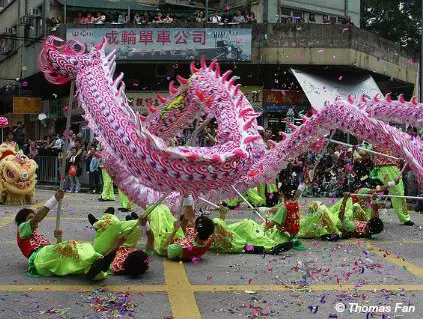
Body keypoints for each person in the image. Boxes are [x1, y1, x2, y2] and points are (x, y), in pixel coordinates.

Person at [15, 190, 118, 280]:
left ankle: (95, 270)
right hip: (39, 259)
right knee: (70, 246)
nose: (34, 220)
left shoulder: (34, 233)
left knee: (75, 257)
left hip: (46, 258)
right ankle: (98, 261)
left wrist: (59, 239)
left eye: (33, 217)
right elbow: (37, 219)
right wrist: (54, 199)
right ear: (23, 221)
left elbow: (56, 250)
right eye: (30, 218)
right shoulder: (22, 229)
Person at [88, 207, 153, 276]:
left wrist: (118, 243)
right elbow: (151, 238)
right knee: (134, 229)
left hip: (112, 246)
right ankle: (133, 221)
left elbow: (104, 257)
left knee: (110, 226)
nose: (138, 250)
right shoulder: (144, 262)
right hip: (127, 244)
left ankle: (98, 226)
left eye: (137, 251)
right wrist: (145, 225)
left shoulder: (116, 267)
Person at [148, 196, 215, 261]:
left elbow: (165, 247)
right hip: (179, 237)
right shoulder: (208, 239)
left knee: (158, 212)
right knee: (164, 209)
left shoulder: (180, 247)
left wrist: (175, 230)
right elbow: (187, 231)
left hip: (166, 243)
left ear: (196, 230)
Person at [369, 145, 414, 226]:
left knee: (391, 192)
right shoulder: (381, 138)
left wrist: (400, 158)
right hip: (387, 167)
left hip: (387, 167)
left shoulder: (387, 139)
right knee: (397, 193)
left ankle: (372, 216)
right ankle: (405, 218)